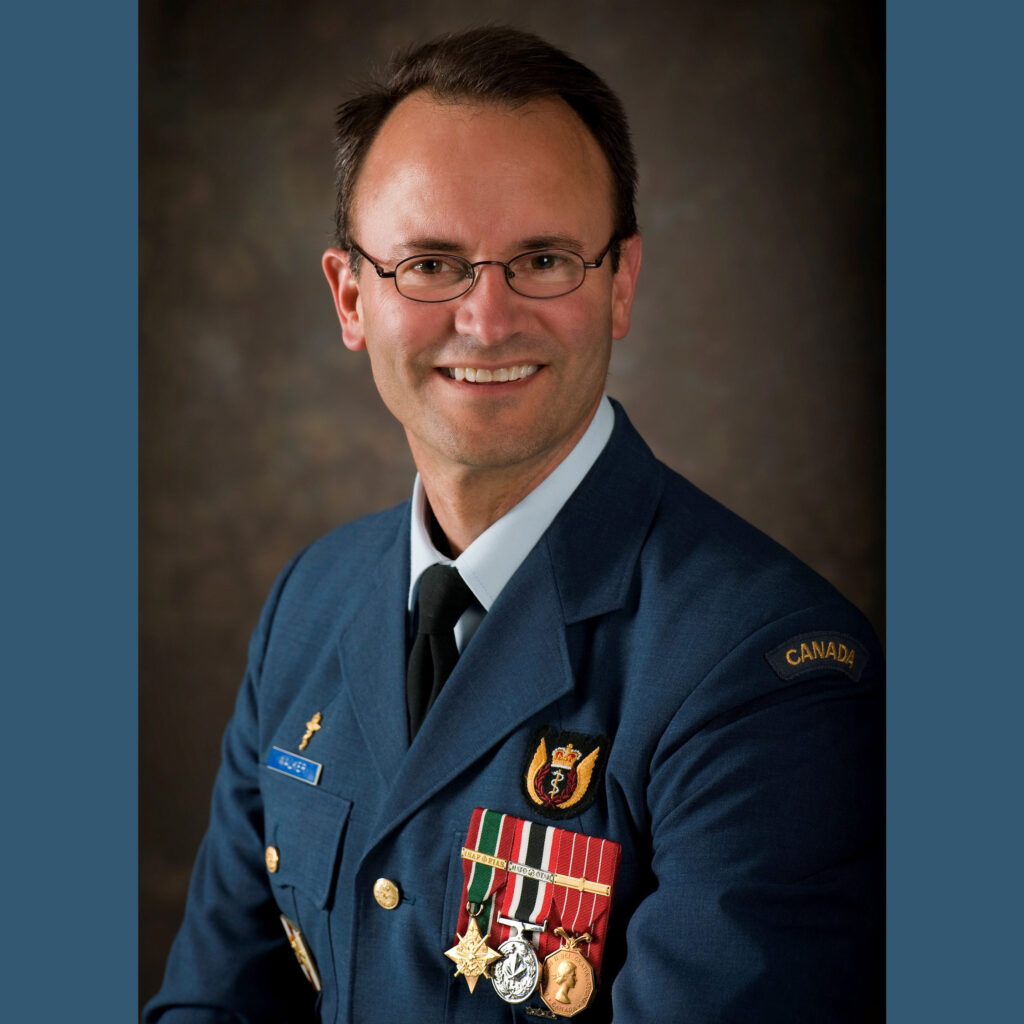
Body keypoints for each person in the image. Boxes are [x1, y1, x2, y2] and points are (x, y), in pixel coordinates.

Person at [145, 25, 882, 1023]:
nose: (487, 320)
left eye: (541, 258)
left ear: (619, 283)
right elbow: (213, 1004)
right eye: (430, 264)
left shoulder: (763, 671)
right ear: (350, 294)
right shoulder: (308, 603)